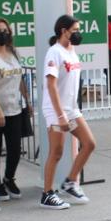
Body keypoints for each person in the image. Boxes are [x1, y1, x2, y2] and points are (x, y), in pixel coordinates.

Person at [39, 15, 97, 209]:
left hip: (72, 110)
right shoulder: (54, 52)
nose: (78, 33)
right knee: (56, 151)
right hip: (56, 110)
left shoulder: (71, 51)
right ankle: (47, 194)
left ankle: (70, 182)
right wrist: (60, 115)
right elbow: (51, 85)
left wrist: (69, 112)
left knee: (89, 143)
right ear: (63, 31)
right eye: (75, 30)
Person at [0, 18, 30, 200]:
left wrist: (27, 100)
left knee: (15, 149)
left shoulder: (14, 53)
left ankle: (9, 178)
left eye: (5, 30)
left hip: (15, 109)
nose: (2, 34)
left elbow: (20, 79)